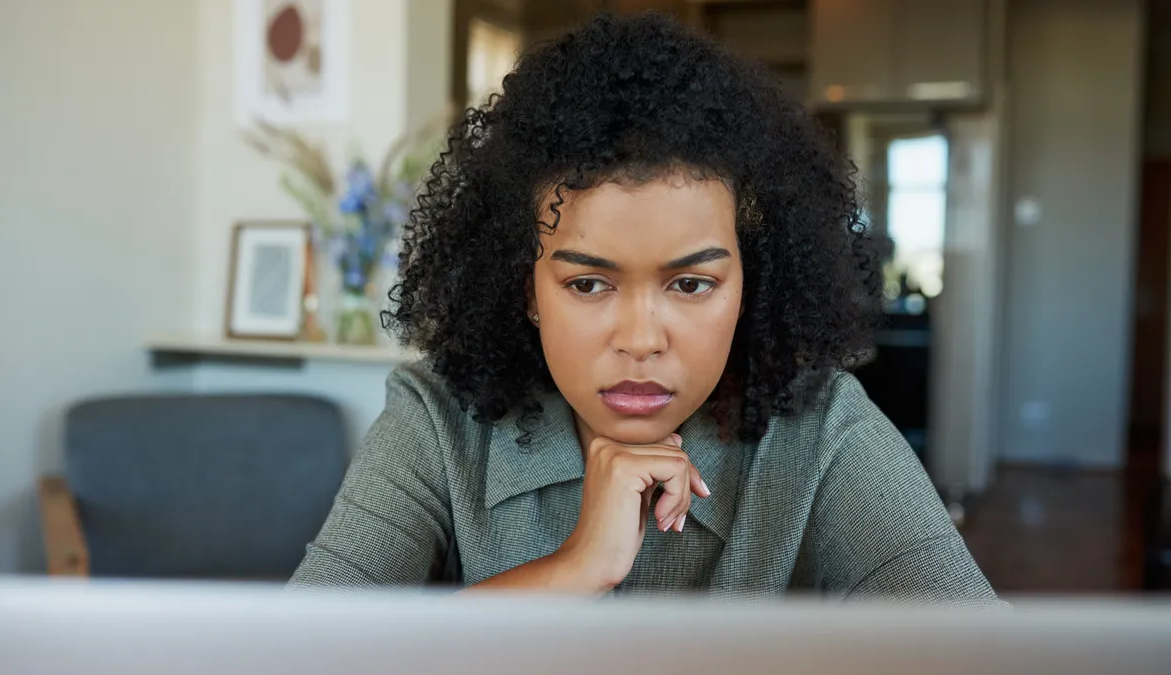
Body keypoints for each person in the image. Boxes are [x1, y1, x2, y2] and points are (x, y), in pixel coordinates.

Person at [289, 11, 999, 605]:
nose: (640, 339)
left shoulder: (822, 431)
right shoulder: (435, 421)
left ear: (752, 283)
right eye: (588, 284)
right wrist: (572, 569)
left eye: (690, 284)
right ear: (525, 288)